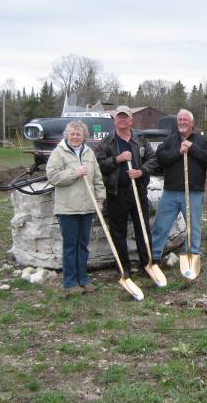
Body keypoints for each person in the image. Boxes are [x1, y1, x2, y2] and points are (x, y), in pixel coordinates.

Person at [95, 105, 158, 278]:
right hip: (116, 193)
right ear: (114, 120)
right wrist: (117, 159)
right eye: (119, 117)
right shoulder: (106, 142)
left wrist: (141, 171)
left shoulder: (140, 140)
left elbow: (153, 159)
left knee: (143, 229)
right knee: (118, 232)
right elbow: (99, 166)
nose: (122, 120)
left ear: (131, 120)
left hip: (138, 191)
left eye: (125, 117)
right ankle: (124, 268)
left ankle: (148, 264)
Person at [46, 120, 106, 296]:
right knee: (71, 245)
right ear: (67, 135)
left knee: (83, 245)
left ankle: (83, 279)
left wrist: (100, 199)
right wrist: (75, 173)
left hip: (87, 207)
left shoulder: (89, 153)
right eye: (72, 133)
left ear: (84, 136)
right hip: (68, 209)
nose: (75, 136)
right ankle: (70, 282)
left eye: (78, 134)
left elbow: (97, 179)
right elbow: (52, 176)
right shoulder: (59, 153)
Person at [151, 109, 207, 262]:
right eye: (180, 120)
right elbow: (160, 158)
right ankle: (154, 256)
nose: (182, 122)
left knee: (193, 227)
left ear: (192, 123)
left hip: (193, 192)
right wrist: (179, 152)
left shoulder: (203, 141)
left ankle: (192, 255)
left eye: (185, 120)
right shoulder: (169, 140)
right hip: (170, 192)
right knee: (161, 225)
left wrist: (192, 148)